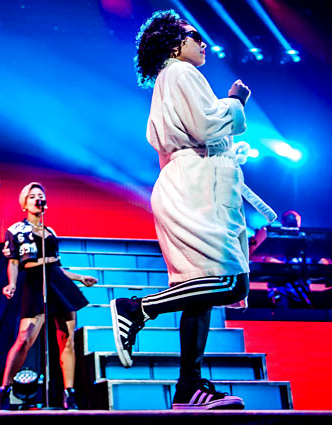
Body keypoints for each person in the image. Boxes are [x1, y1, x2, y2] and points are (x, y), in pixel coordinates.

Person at [109, 10, 270, 410]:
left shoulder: (172, 77)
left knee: (200, 294)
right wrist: (235, 101)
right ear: (174, 45)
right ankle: (136, 308)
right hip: (194, 186)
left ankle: (189, 388)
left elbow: (202, 131)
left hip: (190, 182)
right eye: (194, 35)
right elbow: (207, 126)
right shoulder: (181, 72)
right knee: (231, 283)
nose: (202, 43)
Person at [0, 182, 98, 410]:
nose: (37, 199)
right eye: (32, 196)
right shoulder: (16, 230)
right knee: (25, 338)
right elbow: (13, 262)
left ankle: (69, 393)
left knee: (67, 339)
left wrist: (80, 278)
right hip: (34, 282)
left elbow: (57, 266)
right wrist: (11, 284)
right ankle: (4, 390)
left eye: (40, 195)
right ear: (24, 203)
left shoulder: (50, 232)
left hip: (58, 283)